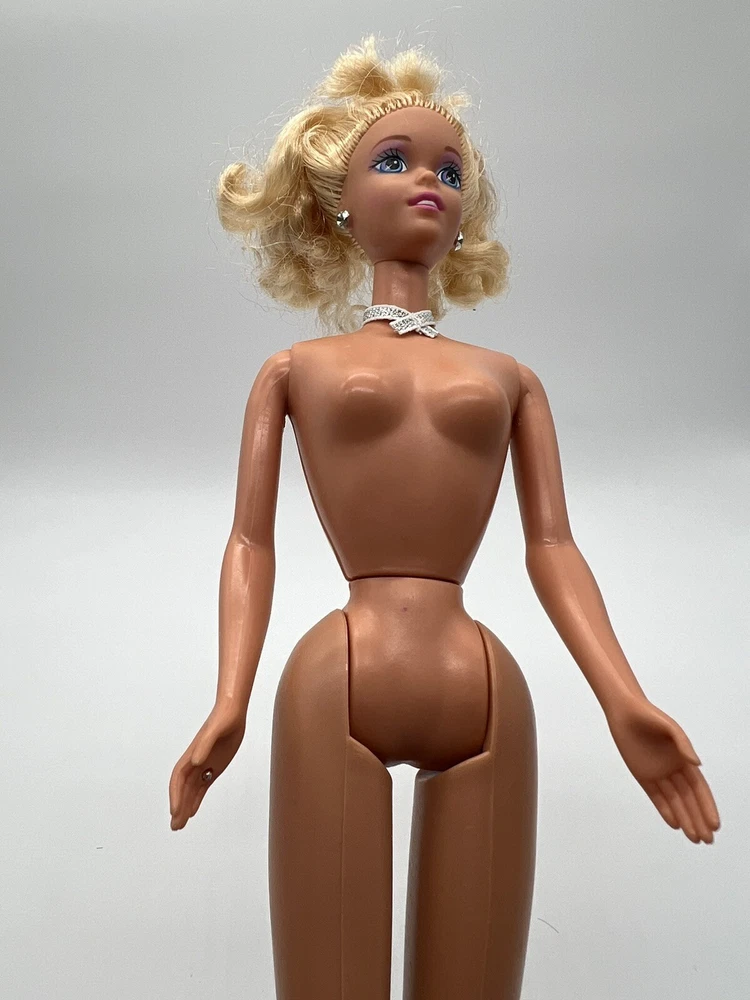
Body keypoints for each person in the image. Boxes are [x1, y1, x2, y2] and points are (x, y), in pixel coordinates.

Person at [169, 34, 720, 999]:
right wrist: (230, 700)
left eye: (450, 169)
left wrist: (623, 700)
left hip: (485, 686)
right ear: (337, 203)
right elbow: (249, 540)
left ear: (467, 214)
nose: (430, 179)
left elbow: (553, 546)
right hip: (336, 678)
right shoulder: (295, 370)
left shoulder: (510, 378)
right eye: (396, 159)